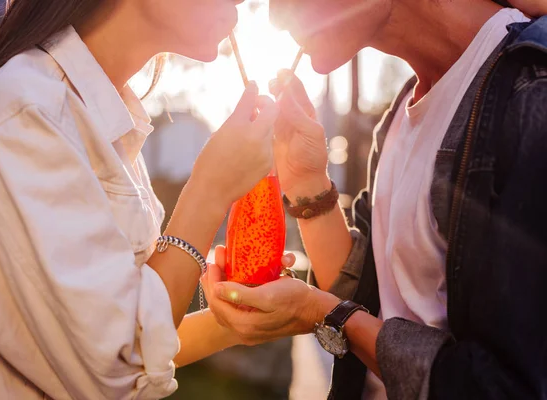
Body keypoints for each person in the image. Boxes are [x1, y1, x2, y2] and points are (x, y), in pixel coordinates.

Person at [0, 0, 300, 398]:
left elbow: (121, 332)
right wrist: (209, 192)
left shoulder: (102, 120)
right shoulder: (26, 112)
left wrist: (239, 317)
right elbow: (111, 368)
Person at [205, 0, 547, 398]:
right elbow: (374, 303)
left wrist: (321, 312)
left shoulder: (532, 92)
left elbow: (504, 387)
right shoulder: (402, 110)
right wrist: (305, 180)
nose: (275, 17)